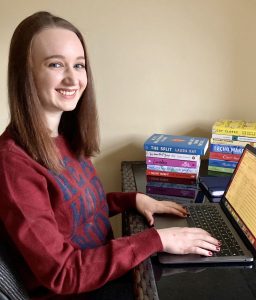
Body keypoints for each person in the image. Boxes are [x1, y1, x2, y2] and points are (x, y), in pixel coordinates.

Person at [0, 11, 220, 299]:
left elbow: (72, 212)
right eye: (55, 64)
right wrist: (155, 239)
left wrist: (133, 200)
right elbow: (62, 272)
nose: (73, 78)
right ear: (25, 72)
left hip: (100, 276)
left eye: (79, 65)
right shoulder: (13, 163)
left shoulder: (65, 137)